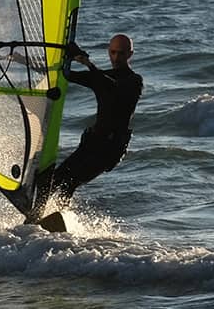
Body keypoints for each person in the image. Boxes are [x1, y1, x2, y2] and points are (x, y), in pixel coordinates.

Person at [29, 33, 143, 219]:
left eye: (121, 53)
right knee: (55, 179)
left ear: (130, 54)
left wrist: (88, 64)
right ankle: (38, 215)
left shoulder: (134, 81)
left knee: (70, 181)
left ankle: (60, 214)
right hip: (91, 143)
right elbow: (63, 74)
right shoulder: (101, 76)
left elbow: (112, 88)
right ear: (108, 52)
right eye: (113, 52)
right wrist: (22, 60)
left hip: (111, 149)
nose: (116, 58)